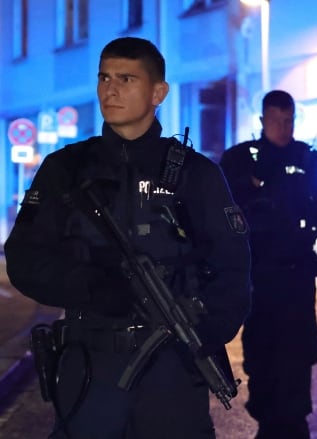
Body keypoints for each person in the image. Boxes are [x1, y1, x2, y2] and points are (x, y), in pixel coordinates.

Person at [3, 37, 251, 438]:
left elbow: (233, 266)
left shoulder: (195, 174)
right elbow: (24, 258)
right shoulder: (65, 169)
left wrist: (205, 333)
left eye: (126, 78)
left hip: (172, 368)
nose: (109, 89)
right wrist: (92, 286)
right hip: (90, 363)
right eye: (104, 77)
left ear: (158, 93)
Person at [219, 90, 317, 439]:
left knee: (297, 358)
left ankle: (290, 424)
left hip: (296, 277)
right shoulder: (239, 162)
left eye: (288, 120)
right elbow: (215, 217)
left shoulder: (310, 161)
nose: (282, 127)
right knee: (261, 358)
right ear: (263, 121)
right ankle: (270, 421)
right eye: (276, 120)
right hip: (257, 281)